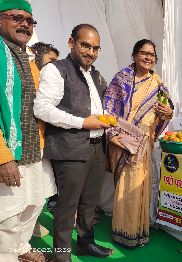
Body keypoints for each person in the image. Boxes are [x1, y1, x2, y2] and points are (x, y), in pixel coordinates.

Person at [33, 24, 114, 261]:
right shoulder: (56, 70)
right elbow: (42, 108)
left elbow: (98, 108)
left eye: (96, 48)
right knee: (67, 207)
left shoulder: (96, 75)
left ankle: (85, 243)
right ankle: (61, 255)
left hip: (97, 148)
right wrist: (82, 123)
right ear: (71, 42)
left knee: (90, 203)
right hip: (70, 148)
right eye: (85, 45)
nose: (91, 52)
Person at [104, 39, 173, 248]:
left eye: (152, 55)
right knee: (126, 185)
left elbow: (168, 108)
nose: (148, 58)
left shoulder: (157, 82)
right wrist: (113, 135)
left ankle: (139, 231)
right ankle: (123, 232)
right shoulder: (121, 79)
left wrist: (168, 113)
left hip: (145, 142)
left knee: (140, 185)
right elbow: (108, 109)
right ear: (134, 55)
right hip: (124, 141)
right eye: (144, 53)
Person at [0, 1, 56, 261]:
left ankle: (21, 248)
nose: (25, 24)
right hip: (9, 153)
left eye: (29, 21)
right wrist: (3, 157)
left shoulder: (26, 56)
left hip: (35, 148)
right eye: (17, 17)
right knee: (8, 217)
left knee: (35, 201)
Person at [28, 42, 59, 238]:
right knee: (27, 192)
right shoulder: (28, 73)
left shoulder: (49, 79)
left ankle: (32, 225)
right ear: (37, 56)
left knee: (41, 190)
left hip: (44, 144)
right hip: (26, 145)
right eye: (51, 60)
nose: (53, 65)